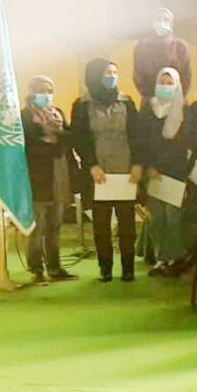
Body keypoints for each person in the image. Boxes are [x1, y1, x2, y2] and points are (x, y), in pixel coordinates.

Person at [71, 58, 143, 282]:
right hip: (98, 174)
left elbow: (138, 135)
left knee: (127, 223)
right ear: (95, 76)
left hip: (125, 171)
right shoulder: (82, 105)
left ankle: (128, 268)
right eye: (106, 73)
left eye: (114, 72)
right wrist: (92, 165)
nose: (111, 77)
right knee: (101, 224)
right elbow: (80, 138)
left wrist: (138, 164)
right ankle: (105, 268)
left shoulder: (127, 102)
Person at [20, 75, 76, 284]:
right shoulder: (25, 117)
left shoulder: (57, 113)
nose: (47, 95)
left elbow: (69, 137)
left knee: (55, 225)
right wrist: (53, 144)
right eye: (42, 91)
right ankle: (36, 268)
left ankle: (55, 267)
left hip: (59, 173)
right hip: (38, 177)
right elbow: (29, 145)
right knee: (38, 226)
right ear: (32, 92)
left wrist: (52, 141)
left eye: (50, 91)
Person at [140, 67, 190, 277]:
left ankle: (176, 258)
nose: (166, 86)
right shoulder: (148, 108)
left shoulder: (184, 110)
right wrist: (149, 166)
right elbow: (141, 140)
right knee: (156, 217)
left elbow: (185, 143)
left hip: (176, 171)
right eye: (162, 82)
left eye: (170, 83)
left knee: (173, 217)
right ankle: (161, 258)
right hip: (153, 172)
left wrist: (170, 168)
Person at [133, 7, 192, 102]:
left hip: (177, 101)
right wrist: (152, 99)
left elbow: (186, 77)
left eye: (166, 20)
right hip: (150, 101)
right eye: (158, 20)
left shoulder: (180, 47)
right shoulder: (142, 47)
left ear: (172, 24)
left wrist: (177, 96)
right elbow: (138, 76)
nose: (162, 22)